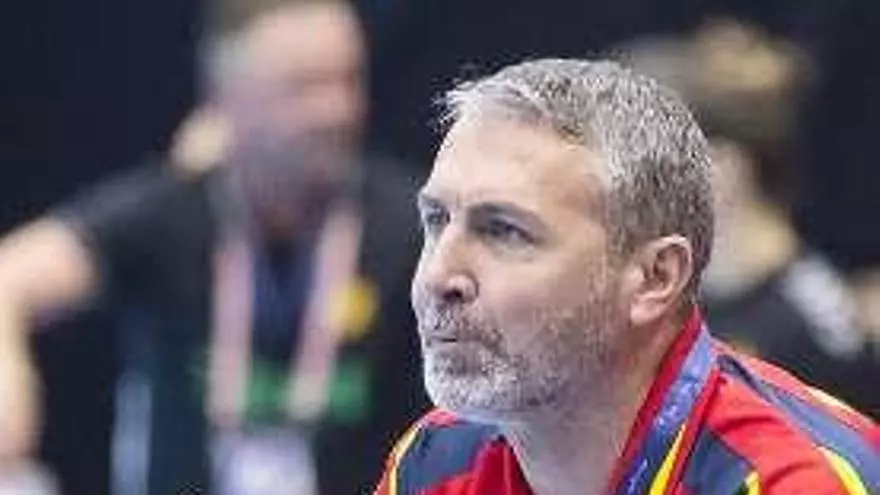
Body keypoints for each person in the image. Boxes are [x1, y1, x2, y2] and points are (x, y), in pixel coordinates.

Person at [374, 59, 879, 495]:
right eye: (436, 220)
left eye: (504, 231)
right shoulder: (434, 462)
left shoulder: (789, 480)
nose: (438, 275)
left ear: (656, 278)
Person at [0, 0, 427, 494]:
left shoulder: (412, 221)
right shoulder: (173, 213)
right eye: (304, 87)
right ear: (225, 101)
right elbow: (11, 277)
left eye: (348, 80)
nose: (335, 110)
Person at [615, 19, 879, 419]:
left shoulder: (815, 325)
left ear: (723, 169)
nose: (628, 185)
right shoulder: (664, 294)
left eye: (651, 162)